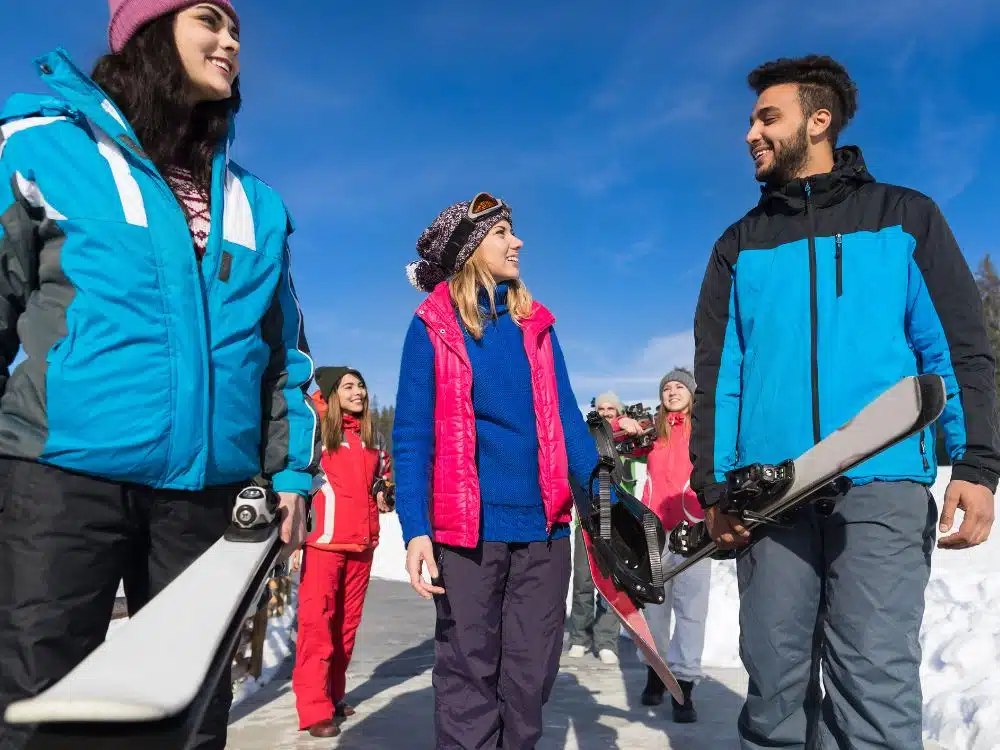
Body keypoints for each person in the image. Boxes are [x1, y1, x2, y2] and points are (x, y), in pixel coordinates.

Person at [0, 3, 317, 748]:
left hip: (207, 497)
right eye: (210, 19)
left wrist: (293, 473)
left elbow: (286, 354)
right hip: (60, 480)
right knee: (39, 708)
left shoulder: (256, 203)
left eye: (238, 29)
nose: (232, 41)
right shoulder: (42, 150)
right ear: (146, 28)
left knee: (190, 716)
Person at [690, 54, 999, 750]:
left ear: (818, 120)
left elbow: (955, 348)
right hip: (769, 494)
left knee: (873, 685)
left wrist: (977, 464)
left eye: (767, 117)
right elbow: (720, 377)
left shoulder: (903, 217)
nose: (749, 133)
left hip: (881, 483)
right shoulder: (737, 247)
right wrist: (714, 486)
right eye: (749, 120)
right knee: (773, 689)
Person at [392, 192, 600, 750]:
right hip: (466, 533)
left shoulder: (535, 324)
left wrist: (607, 504)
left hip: (545, 529)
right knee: (468, 677)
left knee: (529, 679)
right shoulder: (433, 326)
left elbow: (568, 422)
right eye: (503, 231)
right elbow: (411, 436)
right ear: (469, 248)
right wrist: (415, 529)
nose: (518, 242)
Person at [291, 366, 393, 739]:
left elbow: (381, 477)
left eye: (362, 386)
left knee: (345, 628)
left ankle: (333, 696)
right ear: (333, 394)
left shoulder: (371, 440)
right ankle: (313, 707)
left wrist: (383, 490)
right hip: (324, 544)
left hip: (361, 545)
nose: (359, 393)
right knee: (318, 625)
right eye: (349, 386)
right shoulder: (317, 431)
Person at [630, 368, 710, 723]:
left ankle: (685, 686)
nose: (673, 391)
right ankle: (655, 674)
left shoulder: (704, 429)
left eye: (680, 386)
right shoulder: (654, 432)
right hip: (655, 532)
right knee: (654, 610)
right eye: (667, 387)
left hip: (694, 532)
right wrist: (625, 426)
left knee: (691, 613)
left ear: (692, 393)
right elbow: (613, 436)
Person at [566, 391, 629, 666]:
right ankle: (580, 636)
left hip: (619, 523)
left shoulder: (629, 442)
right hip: (588, 521)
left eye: (611, 408)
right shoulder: (586, 440)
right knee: (583, 581)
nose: (605, 413)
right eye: (601, 408)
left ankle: (606, 640)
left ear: (619, 412)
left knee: (612, 583)